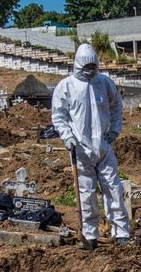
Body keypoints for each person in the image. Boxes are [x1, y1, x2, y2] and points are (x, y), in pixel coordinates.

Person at [52, 43, 130, 249]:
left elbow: (115, 107)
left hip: (103, 147)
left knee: (113, 189)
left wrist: (114, 129)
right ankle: (90, 235)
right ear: (78, 64)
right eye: (85, 66)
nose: (89, 70)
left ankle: (121, 233)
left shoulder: (104, 83)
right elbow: (59, 115)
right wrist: (67, 136)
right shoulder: (66, 86)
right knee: (86, 195)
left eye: (92, 66)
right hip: (80, 150)